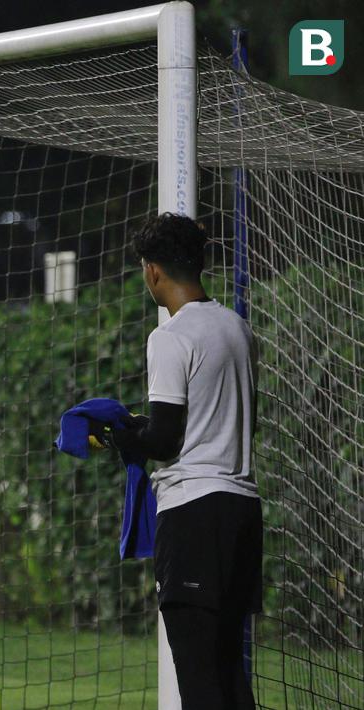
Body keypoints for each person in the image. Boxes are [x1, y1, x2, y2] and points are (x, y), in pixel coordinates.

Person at [93, 213, 262, 709]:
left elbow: (165, 441)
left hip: (193, 514)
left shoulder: (169, 336)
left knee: (199, 680)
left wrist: (119, 435)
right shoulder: (238, 328)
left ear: (153, 271)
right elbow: (207, 417)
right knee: (231, 674)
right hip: (242, 514)